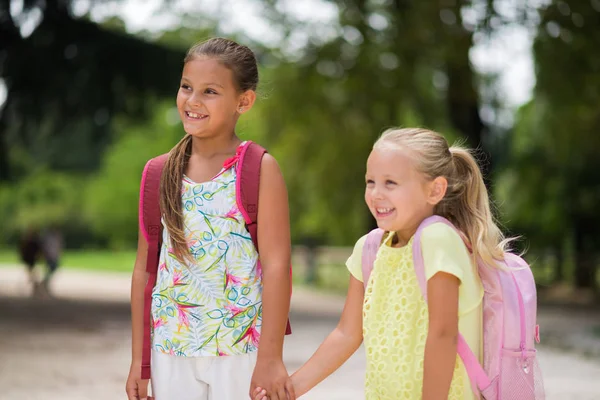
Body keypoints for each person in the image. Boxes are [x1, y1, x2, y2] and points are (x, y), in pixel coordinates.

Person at [255, 127, 513, 399]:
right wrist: (288, 390)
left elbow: (443, 334)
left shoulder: (439, 239)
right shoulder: (368, 249)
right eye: (370, 182)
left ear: (435, 190)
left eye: (390, 183)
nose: (376, 194)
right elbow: (346, 334)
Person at [126, 37, 294, 400]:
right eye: (186, 87)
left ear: (243, 101)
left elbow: (278, 266)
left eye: (210, 91)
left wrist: (271, 358)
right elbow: (145, 270)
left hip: (239, 350)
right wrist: (141, 364)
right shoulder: (158, 172)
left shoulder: (259, 169)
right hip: (170, 350)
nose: (193, 100)